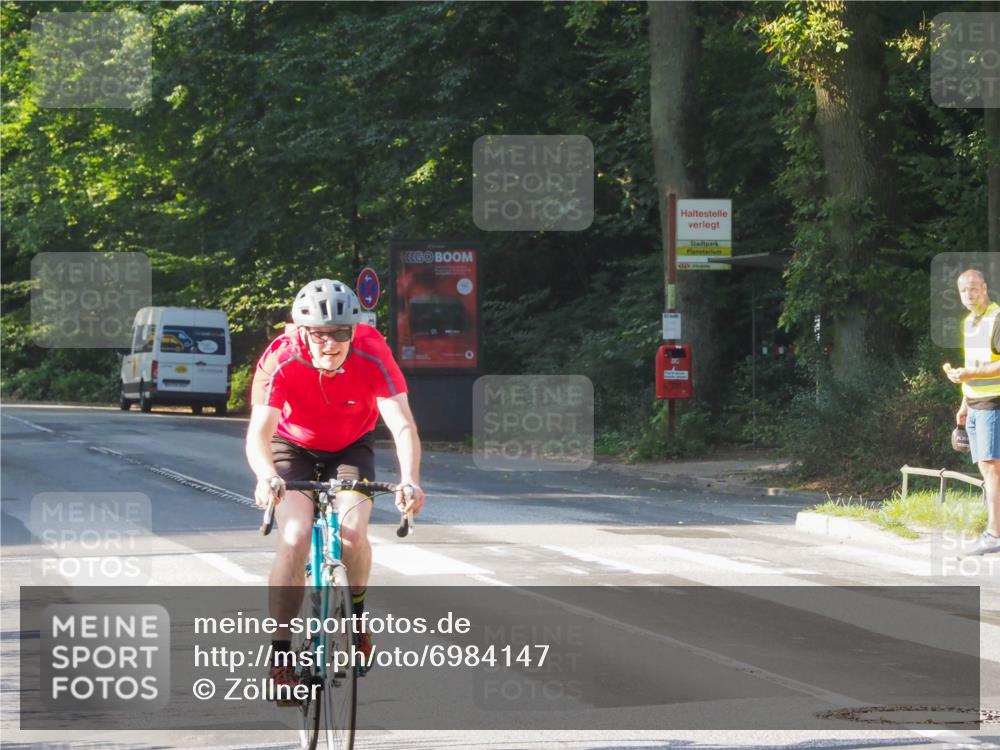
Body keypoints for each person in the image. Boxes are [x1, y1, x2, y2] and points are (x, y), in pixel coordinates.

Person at [245, 278, 425, 697]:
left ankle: (357, 621)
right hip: (292, 446)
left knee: (352, 532)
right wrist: (264, 475)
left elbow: (401, 423)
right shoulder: (281, 357)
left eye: (340, 333)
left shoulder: (371, 350)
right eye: (321, 335)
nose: (331, 344)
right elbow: (259, 431)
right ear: (302, 332)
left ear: (353, 330)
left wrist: (411, 479)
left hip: (351, 446)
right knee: (294, 535)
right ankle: (282, 654)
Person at [946, 268, 1000, 555]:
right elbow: (974, 365)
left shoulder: (996, 317)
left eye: (974, 288)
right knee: (986, 468)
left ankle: (994, 534)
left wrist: (970, 374)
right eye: (964, 290)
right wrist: (964, 403)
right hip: (976, 403)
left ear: (985, 287)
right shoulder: (969, 323)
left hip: (995, 402)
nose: (969, 294)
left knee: (992, 468)